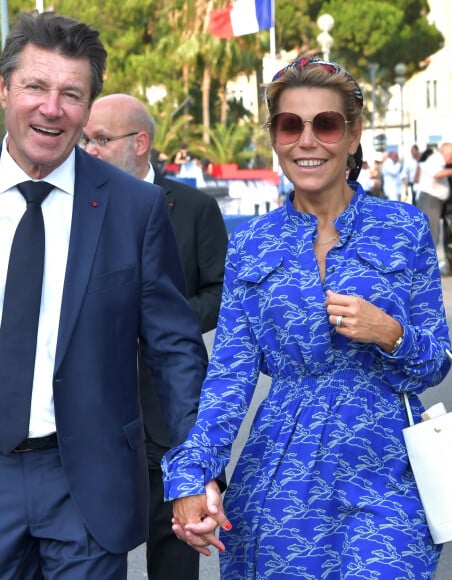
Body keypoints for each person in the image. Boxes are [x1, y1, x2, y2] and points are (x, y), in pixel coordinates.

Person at [0, 11, 208, 579]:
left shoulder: (134, 209)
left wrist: (194, 470)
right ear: (4, 89)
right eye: (35, 86)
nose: (52, 108)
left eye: (71, 94)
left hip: (89, 479)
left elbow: (175, 353)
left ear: (88, 107)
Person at [163, 57, 451, 579]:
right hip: (282, 478)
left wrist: (390, 334)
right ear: (275, 135)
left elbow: (436, 362)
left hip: (386, 474)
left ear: (353, 133)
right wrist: (191, 474)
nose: (307, 140)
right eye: (290, 124)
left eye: (327, 123)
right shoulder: (251, 244)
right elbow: (229, 377)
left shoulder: (404, 229)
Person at [82, 93, 228, 580]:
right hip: (99, 419)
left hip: (169, 419)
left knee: (174, 557)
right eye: (86, 139)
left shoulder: (193, 207)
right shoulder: (77, 205)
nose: (89, 149)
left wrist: (163, 319)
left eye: (100, 139)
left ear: (140, 142)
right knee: (95, 555)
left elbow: (221, 290)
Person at [416, 143, 452, 257]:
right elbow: (437, 174)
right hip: (429, 201)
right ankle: (427, 267)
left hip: (434, 201)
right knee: (431, 235)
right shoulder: (435, 159)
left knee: (433, 234)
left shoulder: (440, 160)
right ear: (447, 153)